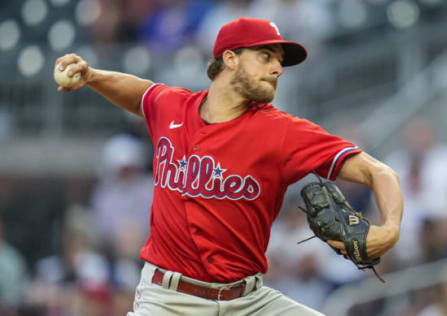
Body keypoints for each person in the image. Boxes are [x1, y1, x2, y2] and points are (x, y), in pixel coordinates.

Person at [54, 17, 403, 316]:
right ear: (230, 58)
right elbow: (141, 94)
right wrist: (93, 76)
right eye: (266, 56)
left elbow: (379, 172)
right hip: (169, 302)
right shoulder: (172, 108)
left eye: (279, 61)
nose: (277, 68)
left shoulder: (282, 131)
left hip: (249, 302)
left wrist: (390, 229)